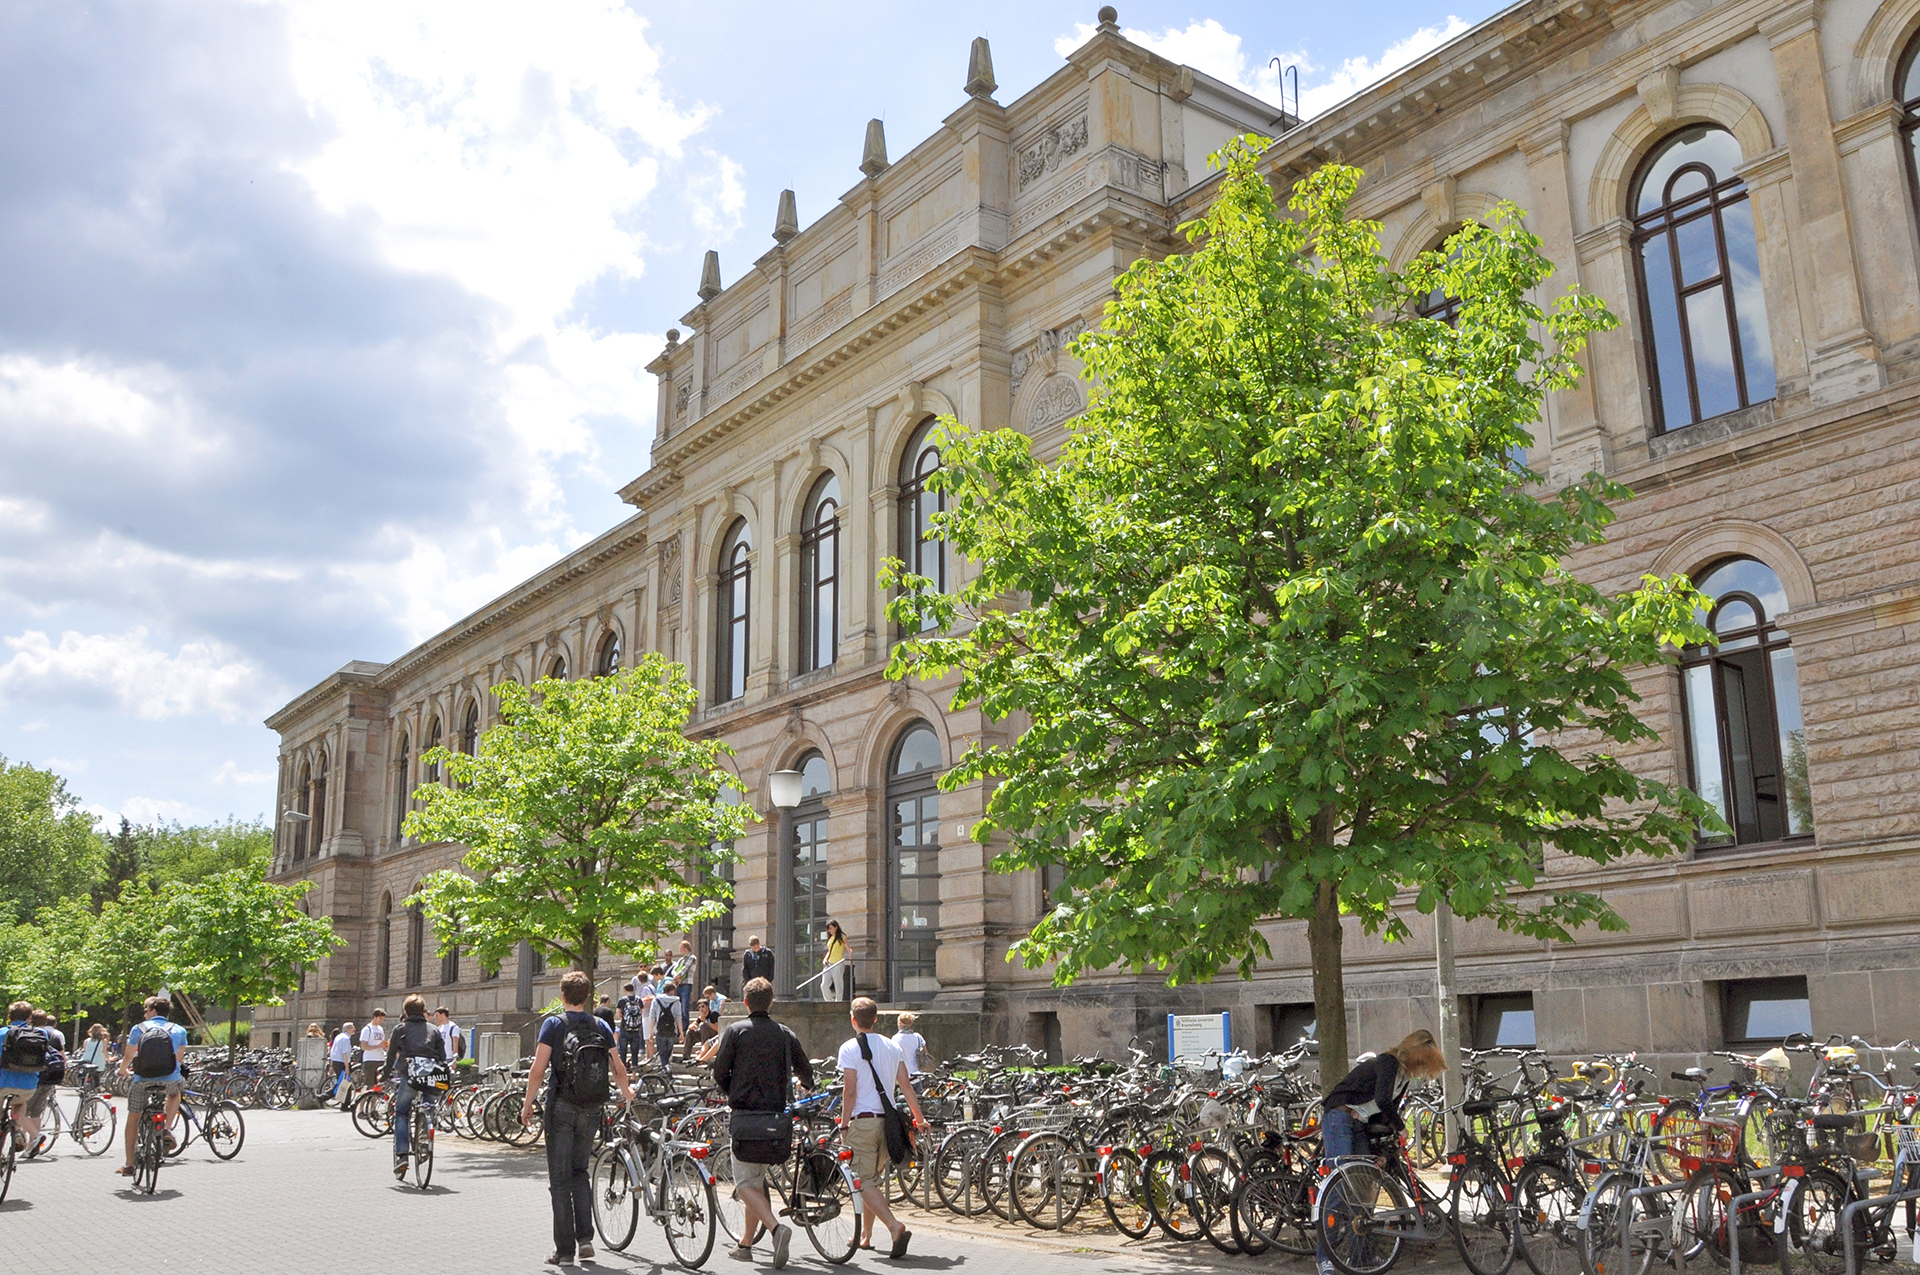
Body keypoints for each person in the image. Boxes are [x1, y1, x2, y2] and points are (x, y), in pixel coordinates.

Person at [521, 969, 635, 1266]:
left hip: (561, 1105)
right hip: (592, 1106)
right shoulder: (600, 1025)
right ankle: (585, 1240)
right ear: (587, 997)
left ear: (562, 996)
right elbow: (617, 1066)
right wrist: (626, 1092)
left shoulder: (553, 1025)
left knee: (559, 1179)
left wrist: (527, 1103)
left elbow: (538, 1068)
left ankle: (564, 1251)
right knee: (580, 1171)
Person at [1315, 1030, 1448, 1275]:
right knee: (1339, 1187)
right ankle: (1325, 1258)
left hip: (1360, 1125)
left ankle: (1359, 1255)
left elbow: (1383, 1114)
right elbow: (1383, 1101)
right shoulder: (1388, 1063)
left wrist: (1383, 1151)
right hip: (1340, 1117)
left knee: (1366, 1189)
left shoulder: (1404, 1078)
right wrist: (1401, 1127)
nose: (1421, 1070)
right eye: (1422, 1063)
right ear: (1414, 1055)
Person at [711, 977, 813, 1268]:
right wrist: (806, 1084)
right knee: (755, 1181)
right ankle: (745, 1243)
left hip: (745, 1117)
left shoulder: (735, 1031)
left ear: (745, 1003)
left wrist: (733, 1092)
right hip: (775, 1120)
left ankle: (776, 1228)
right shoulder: (784, 1033)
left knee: (744, 1184)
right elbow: (805, 1070)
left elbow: (720, 1072)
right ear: (771, 1002)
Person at [838, 997, 926, 1256]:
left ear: (853, 1020)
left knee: (861, 1179)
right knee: (871, 1180)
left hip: (863, 1121)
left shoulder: (849, 1048)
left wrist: (844, 1123)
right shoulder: (891, 1047)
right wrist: (919, 1119)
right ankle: (865, 1236)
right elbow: (906, 1086)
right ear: (876, 1018)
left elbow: (850, 1091)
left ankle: (894, 1226)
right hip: (887, 1125)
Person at [118, 995, 188, 1178]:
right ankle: (166, 1128)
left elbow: (128, 1054)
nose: (145, 1013)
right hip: (170, 1079)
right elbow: (178, 1060)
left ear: (153, 1011)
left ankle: (129, 1164)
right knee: (174, 1094)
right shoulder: (179, 1030)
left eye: (146, 1010)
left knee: (133, 1117)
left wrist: (123, 1069)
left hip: (142, 1079)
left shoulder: (138, 1028)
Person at [383, 994, 449, 1177]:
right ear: (423, 1011)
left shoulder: (400, 1029)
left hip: (410, 1075)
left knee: (402, 1113)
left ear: (406, 1011)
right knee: (429, 1106)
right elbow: (442, 1056)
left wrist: (385, 1074)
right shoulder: (434, 1030)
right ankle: (425, 1133)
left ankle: (402, 1155)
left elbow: (390, 1055)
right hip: (431, 1078)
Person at [0, 1001, 45, 1153]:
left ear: (9, 1017)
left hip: (2, 1083)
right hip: (28, 1085)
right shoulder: (40, 1034)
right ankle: (18, 1130)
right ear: (29, 1017)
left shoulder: (1, 1033)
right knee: (20, 1103)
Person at [21, 1009, 66, 1147]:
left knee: (21, 1111)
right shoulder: (55, 1035)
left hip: (34, 1077)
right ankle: (32, 1145)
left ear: (30, 1019)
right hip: (50, 1078)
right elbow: (62, 1057)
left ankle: (33, 1137)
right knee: (36, 1112)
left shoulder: (28, 1034)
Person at [668, 940, 699, 1039]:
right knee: (678, 1007)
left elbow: (685, 968)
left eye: (680, 948)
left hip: (686, 985)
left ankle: (685, 1029)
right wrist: (676, 976)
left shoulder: (692, 957)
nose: (679, 950)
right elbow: (674, 969)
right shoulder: (680, 959)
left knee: (685, 1008)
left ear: (685, 948)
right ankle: (678, 1029)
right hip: (679, 985)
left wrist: (678, 975)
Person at [649, 979, 681, 1070]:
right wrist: (681, 1032)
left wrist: (650, 1032)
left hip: (659, 1030)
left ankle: (665, 1070)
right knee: (668, 1052)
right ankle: (667, 1070)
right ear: (672, 990)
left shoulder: (656, 1001)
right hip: (671, 1030)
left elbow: (652, 1017)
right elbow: (679, 1018)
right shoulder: (677, 1001)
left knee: (662, 1052)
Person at [615, 981, 646, 1072]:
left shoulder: (622, 1000)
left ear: (625, 990)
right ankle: (634, 1072)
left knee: (623, 1051)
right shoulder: (638, 999)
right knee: (634, 1052)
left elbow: (618, 1014)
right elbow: (641, 1012)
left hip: (625, 1028)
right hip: (636, 1029)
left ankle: (623, 1070)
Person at [327, 1021, 356, 1107]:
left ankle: (344, 1104)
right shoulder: (346, 1039)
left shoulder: (338, 1037)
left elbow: (333, 1051)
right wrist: (347, 1066)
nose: (354, 1029)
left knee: (342, 1083)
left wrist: (332, 1065)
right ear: (348, 1029)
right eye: (352, 1028)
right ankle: (344, 1104)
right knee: (345, 1084)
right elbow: (344, 1054)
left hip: (336, 1061)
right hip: (342, 1062)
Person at [359, 1009, 389, 1089]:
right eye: (380, 1018)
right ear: (375, 1017)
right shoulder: (367, 1029)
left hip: (380, 1058)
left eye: (382, 1019)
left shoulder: (380, 1029)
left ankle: (374, 1101)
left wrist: (385, 1046)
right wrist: (377, 1046)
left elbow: (381, 1043)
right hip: (370, 1059)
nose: (381, 1021)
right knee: (369, 1085)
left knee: (379, 1085)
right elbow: (364, 1046)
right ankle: (363, 1101)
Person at [821, 920, 849, 1001]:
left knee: (838, 984)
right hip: (829, 963)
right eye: (828, 929)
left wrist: (850, 957)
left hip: (838, 962)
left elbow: (848, 947)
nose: (829, 930)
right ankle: (830, 1002)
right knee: (824, 985)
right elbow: (830, 950)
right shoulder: (830, 938)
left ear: (836, 927)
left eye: (831, 928)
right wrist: (825, 959)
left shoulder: (842, 937)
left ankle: (839, 1001)